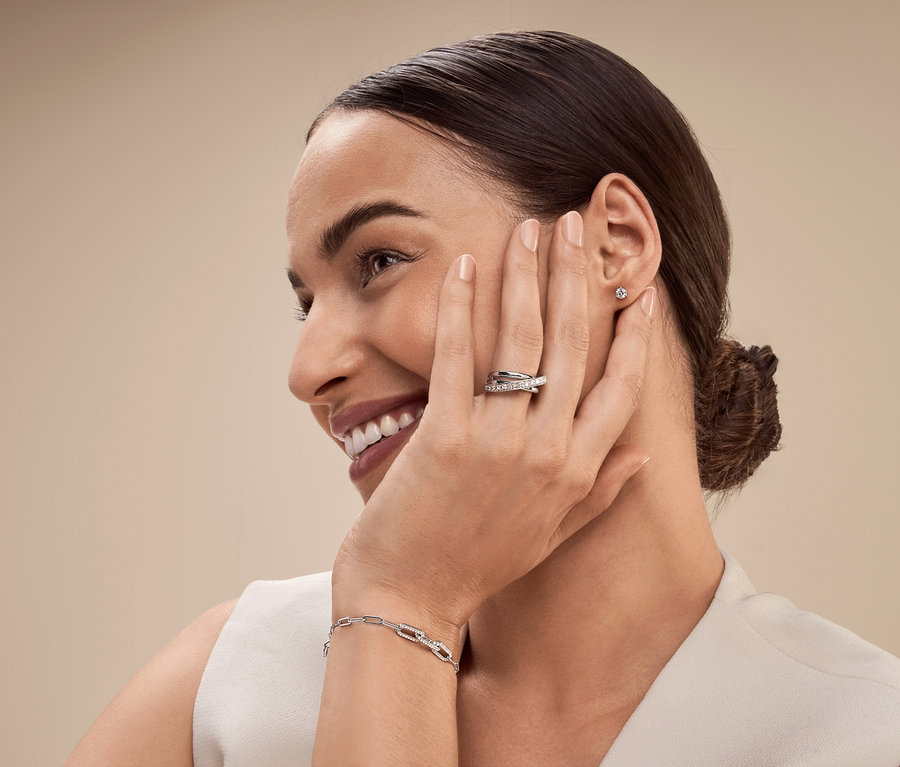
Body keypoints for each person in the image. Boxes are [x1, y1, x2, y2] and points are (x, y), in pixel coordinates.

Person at [66, 30, 900, 767]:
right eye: (305, 303)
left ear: (615, 243)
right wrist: (399, 602)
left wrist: (401, 599)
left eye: (378, 260)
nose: (307, 369)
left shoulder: (861, 731)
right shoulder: (225, 687)